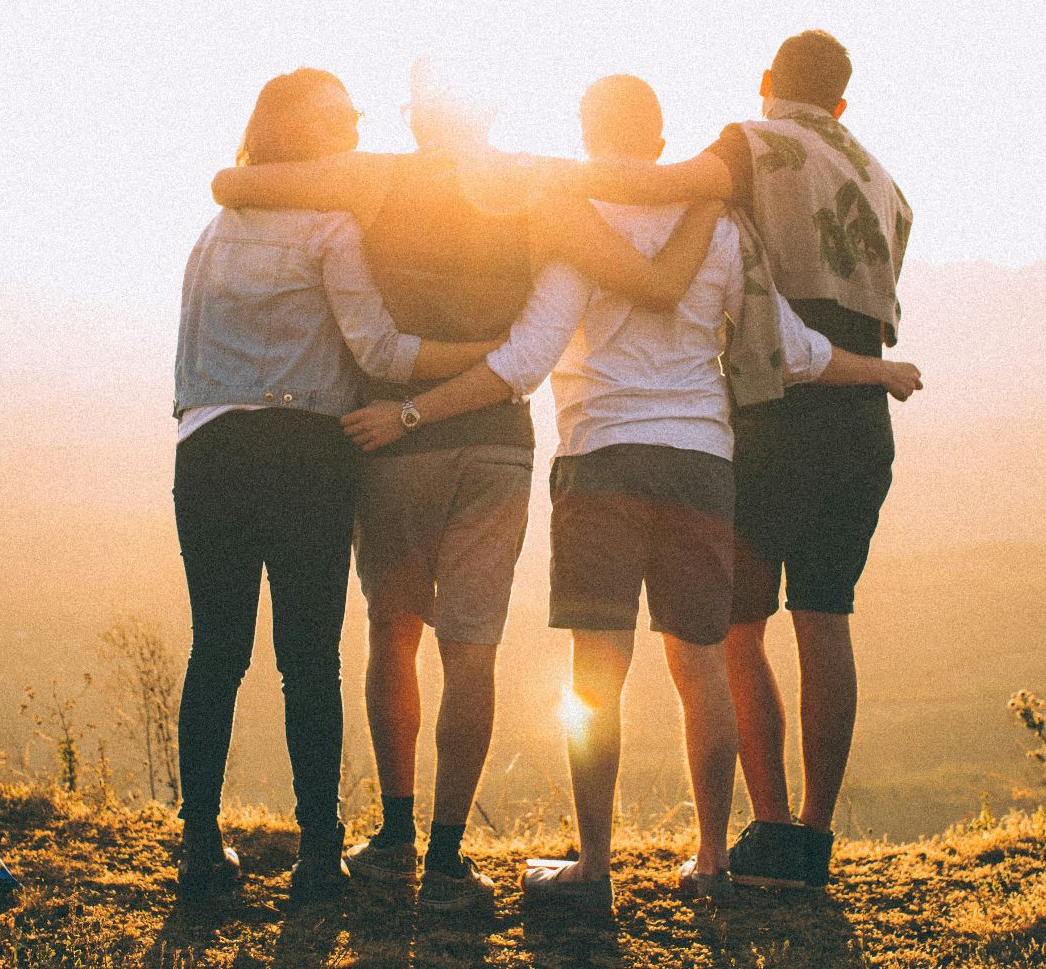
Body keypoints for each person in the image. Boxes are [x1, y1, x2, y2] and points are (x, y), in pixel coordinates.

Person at [382, 75, 911, 915]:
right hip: (702, 464)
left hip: (600, 463)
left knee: (597, 672)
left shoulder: (574, 231)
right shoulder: (725, 230)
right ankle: (710, 861)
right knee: (701, 665)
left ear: (588, 138)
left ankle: (593, 870)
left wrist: (411, 407)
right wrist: (877, 369)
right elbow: (792, 349)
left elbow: (524, 361)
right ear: (663, 144)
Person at [211, 61, 715, 911]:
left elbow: (235, 183)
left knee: (392, 631)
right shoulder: (539, 187)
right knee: (471, 650)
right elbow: (649, 275)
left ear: (416, 120)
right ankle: (447, 859)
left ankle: (395, 833)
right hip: (496, 446)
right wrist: (711, 195)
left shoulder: (375, 179)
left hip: (392, 439)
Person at [546, 32, 918, 889]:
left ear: (766, 84)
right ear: (843, 102)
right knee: (826, 619)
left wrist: (534, 177)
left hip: (773, 409)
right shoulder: (887, 183)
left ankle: (767, 829)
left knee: (734, 632)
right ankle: (810, 843)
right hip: (858, 413)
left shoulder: (751, 145)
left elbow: (660, 186)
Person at [172, 68, 502, 901]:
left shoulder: (214, 231)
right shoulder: (330, 228)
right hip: (305, 454)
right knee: (307, 660)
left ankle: (200, 848)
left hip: (207, 449)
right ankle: (321, 853)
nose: (356, 127)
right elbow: (382, 355)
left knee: (216, 651)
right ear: (306, 134)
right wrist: (488, 357)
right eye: (342, 117)